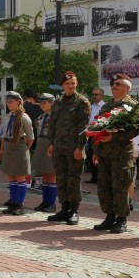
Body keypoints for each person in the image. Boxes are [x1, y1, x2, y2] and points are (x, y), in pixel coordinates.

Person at [91, 74, 139, 234]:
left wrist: (114, 136)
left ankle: (121, 219)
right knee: (104, 186)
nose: (114, 86)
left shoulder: (133, 106)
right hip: (105, 153)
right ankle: (109, 217)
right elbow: (97, 127)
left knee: (120, 187)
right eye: (113, 84)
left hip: (121, 154)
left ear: (127, 88)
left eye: (118, 84)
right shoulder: (106, 106)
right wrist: (96, 150)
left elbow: (137, 128)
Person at [46, 71, 90, 225]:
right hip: (58, 147)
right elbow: (52, 124)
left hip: (73, 148)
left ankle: (74, 210)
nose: (70, 86)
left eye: (73, 83)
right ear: (62, 86)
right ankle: (64, 208)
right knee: (61, 178)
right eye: (67, 84)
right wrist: (51, 143)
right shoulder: (58, 102)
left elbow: (83, 127)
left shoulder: (82, 102)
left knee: (73, 179)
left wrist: (80, 147)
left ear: (76, 84)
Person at [0, 92, 34, 215]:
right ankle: (13, 203)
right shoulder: (8, 116)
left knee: (20, 176)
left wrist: (24, 149)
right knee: (11, 176)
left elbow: (30, 137)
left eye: (11, 101)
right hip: (8, 146)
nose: (9, 104)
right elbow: (4, 134)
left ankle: (19, 204)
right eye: (7, 101)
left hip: (19, 147)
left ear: (19, 101)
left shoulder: (24, 117)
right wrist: (2, 148)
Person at [31, 94, 58, 213]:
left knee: (51, 175)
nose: (42, 104)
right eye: (41, 102)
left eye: (45, 102)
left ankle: (51, 203)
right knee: (44, 175)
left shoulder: (55, 116)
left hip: (50, 143)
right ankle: (45, 201)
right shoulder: (42, 116)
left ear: (52, 103)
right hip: (41, 143)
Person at [85, 87, 106, 184]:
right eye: (93, 94)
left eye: (96, 94)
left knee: (99, 155)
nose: (94, 96)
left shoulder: (105, 106)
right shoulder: (91, 106)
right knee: (90, 155)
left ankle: (100, 177)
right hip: (91, 134)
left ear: (102, 96)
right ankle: (94, 176)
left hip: (99, 134)